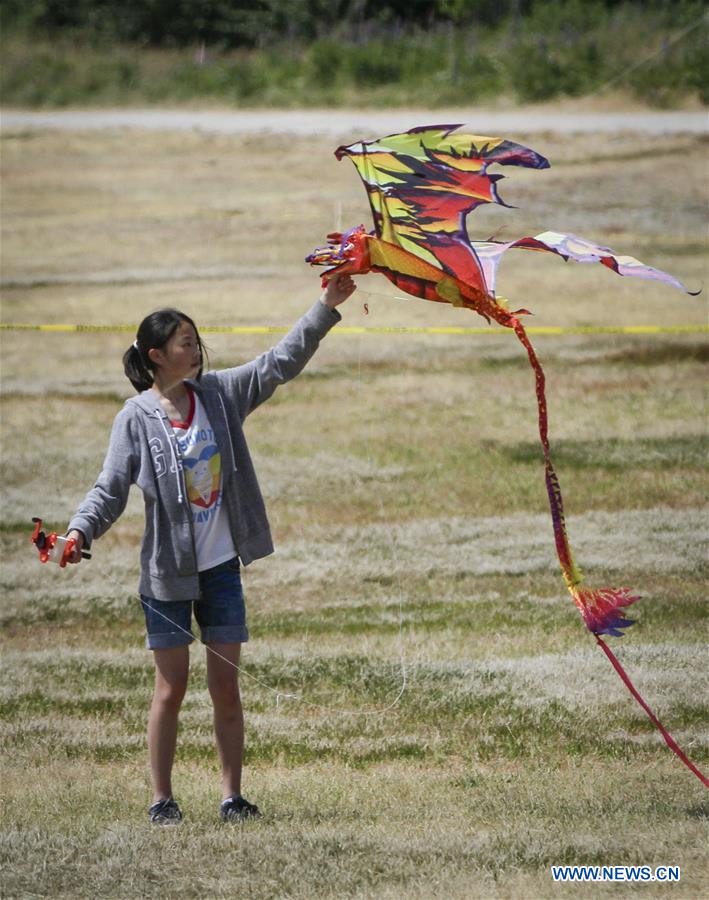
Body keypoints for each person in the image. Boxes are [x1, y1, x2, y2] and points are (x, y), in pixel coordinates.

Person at [65, 274, 356, 824]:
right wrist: (81, 530)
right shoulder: (136, 418)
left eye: (196, 341)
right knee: (170, 690)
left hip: (221, 570)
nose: (195, 349)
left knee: (226, 687)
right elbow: (110, 488)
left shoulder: (219, 396)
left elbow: (278, 363)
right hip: (166, 578)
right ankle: (162, 800)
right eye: (184, 343)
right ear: (156, 355)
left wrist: (326, 306)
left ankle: (231, 796)